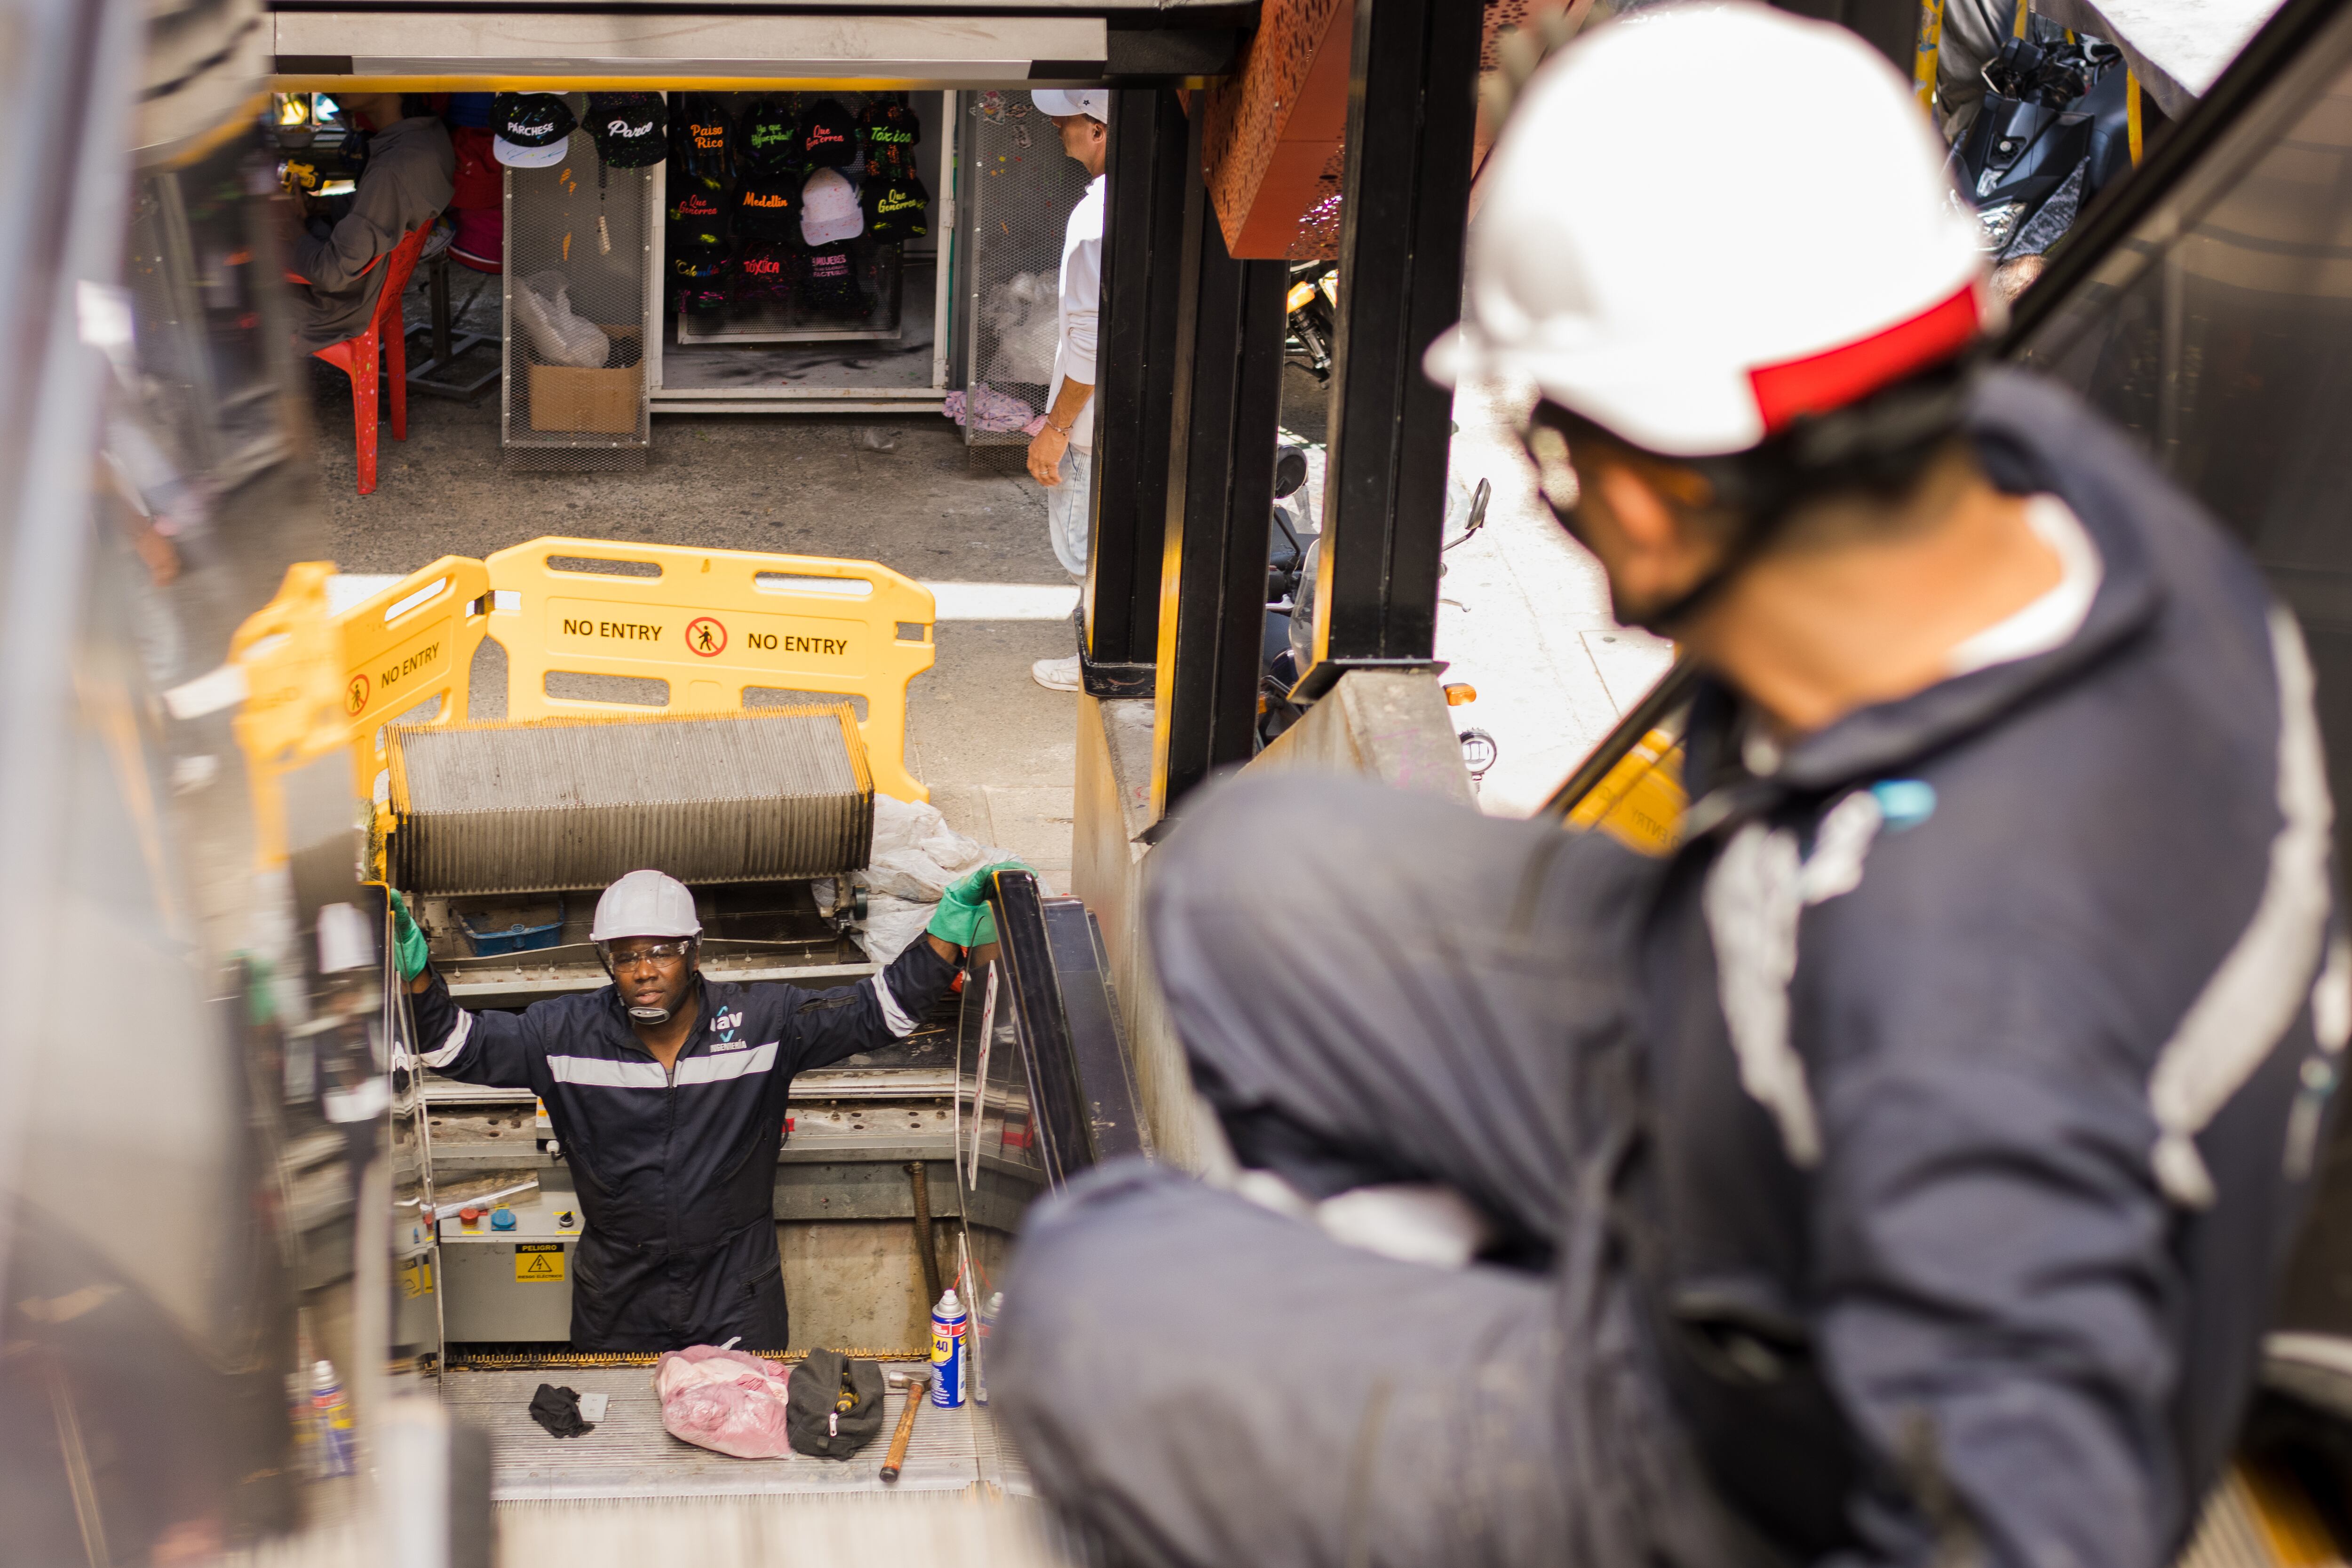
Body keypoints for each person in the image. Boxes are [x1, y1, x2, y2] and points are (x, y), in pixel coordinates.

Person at [992, 9, 2344, 1568]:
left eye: (1549, 455)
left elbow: (2038, 1514)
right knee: (1247, 880)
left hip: (1779, 1413)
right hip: (1756, 1074)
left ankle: (1521, 1392)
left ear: (1642, 484)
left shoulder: (1966, 1017)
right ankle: (1495, 1298)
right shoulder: (2050, 480)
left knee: (1103, 1302)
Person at [390, 863, 1018, 1350]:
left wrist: (945, 932)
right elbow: (455, 1046)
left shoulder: (763, 1022)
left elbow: (876, 1013)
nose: (643, 969)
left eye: (660, 950)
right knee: (625, 1447)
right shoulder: (562, 1034)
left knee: (746, 1440)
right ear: (607, 961)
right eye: (626, 955)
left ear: (694, 951)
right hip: (618, 1296)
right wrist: (414, 969)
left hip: (737, 1291)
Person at [1025, 87, 1108, 692]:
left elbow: (1088, 345)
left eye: (1068, 118)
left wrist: (1054, 431)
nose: (1058, 126)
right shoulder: (1135, 202)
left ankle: (1100, 662)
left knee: (1085, 547)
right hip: (1125, 411)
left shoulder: (1093, 221)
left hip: (1088, 425)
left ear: (1099, 129)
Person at [282, 93, 453, 352]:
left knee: (225, 289)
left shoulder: (393, 169)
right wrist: (320, 206)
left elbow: (330, 274)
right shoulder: (424, 136)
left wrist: (291, 224)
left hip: (336, 309)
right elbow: (375, 204)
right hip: (372, 290)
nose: (337, 84)